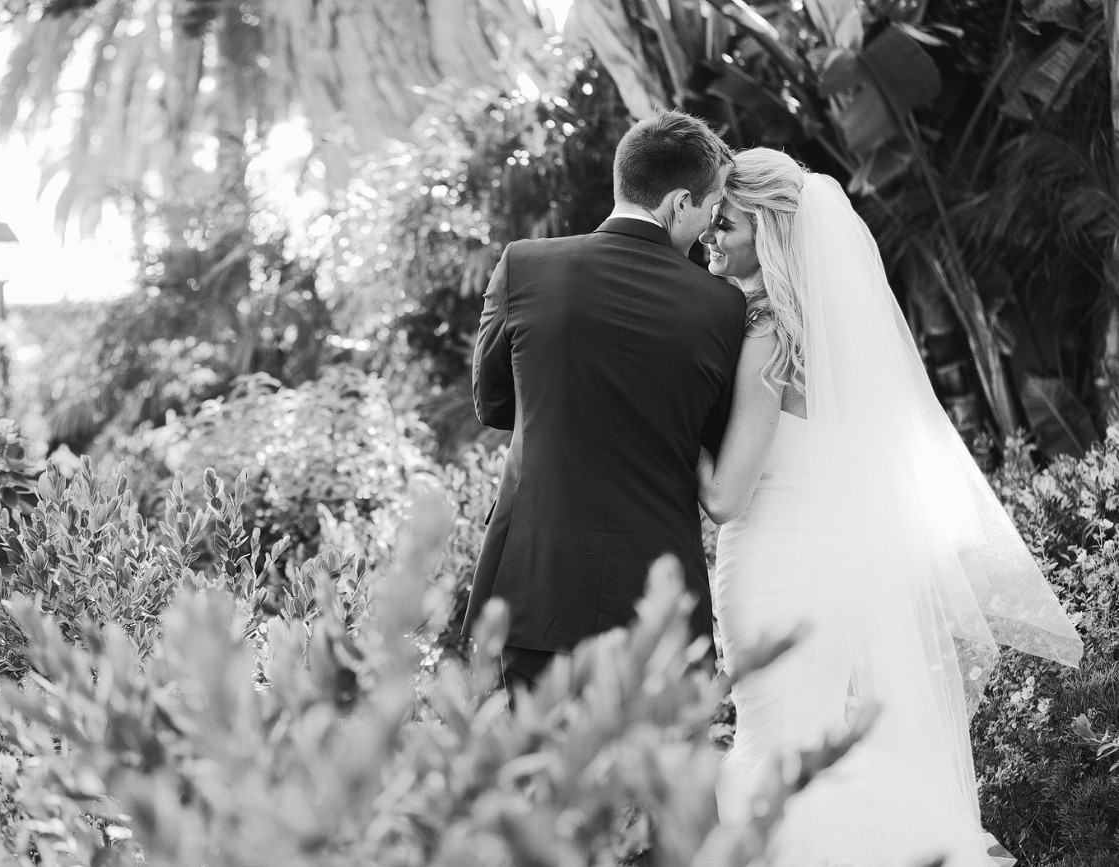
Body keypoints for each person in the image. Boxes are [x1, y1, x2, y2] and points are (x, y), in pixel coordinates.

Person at [696, 148, 1084, 866]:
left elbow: (724, 497)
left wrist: (669, 429)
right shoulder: (824, 341)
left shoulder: (764, 338)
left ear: (769, 230)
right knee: (812, 740)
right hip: (832, 572)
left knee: (777, 744)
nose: (707, 237)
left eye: (725, 223)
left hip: (772, 570)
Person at [460, 110, 747, 693]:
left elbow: (493, 405)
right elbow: (713, 439)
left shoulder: (525, 266)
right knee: (657, 783)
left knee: (535, 777)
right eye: (712, 210)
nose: (710, 228)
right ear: (678, 203)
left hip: (535, 588)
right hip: (659, 610)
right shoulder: (722, 308)